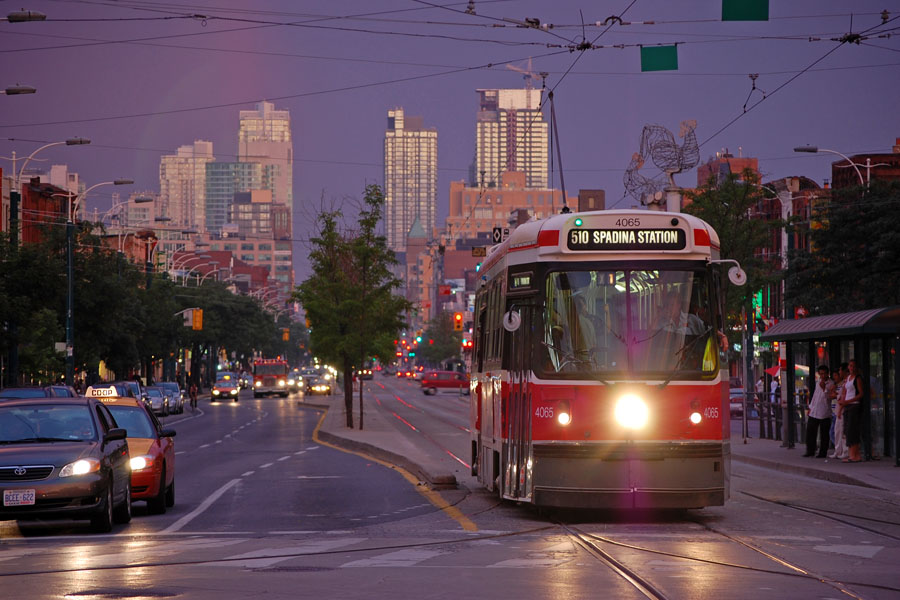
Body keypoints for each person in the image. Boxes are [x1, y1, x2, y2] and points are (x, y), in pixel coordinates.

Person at [804, 365, 833, 457]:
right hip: (815, 410)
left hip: (824, 410)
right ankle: (810, 450)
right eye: (821, 374)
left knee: (824, 433)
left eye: (824, 374)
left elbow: (829, 397)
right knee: (811, 431)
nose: (823, 376)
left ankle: (823, 452)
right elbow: (815, 395)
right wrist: (811, 407)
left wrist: (825, 388)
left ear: (827, 374)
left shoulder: (831, 383)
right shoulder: (818, 382)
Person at [839, 359, 864, 463]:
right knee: (847, 431)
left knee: (852, 430)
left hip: (854, 405)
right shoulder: (848, 378)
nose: (851, 368)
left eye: (853, 366)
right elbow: (844, 393)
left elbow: (860, 394)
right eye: (850, 366)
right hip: (847, 406)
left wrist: (849, 401)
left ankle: (855, 455)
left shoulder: (857, 378)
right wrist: (841, 408)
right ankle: (852, 454)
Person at [830, 363, 849, 459]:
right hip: (838, 409)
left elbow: (843, 396)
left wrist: (836, 396)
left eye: (840, 371)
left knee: (842, 431)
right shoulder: (842, 383)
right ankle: (838, 451)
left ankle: (845, 451)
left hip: (842, 408)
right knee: (837, 431)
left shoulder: (846, 382)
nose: (839, 373)